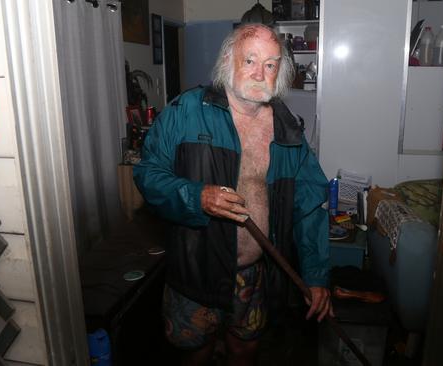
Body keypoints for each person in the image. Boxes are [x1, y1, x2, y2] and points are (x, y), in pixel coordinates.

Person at [134, 23, 332, 365]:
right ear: (229, 61)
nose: (259, 73)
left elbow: (310, 207)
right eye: (250, 60)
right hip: (195, 273)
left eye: (270, 64)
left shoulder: (288, 131)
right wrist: (195, 197)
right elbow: (148, 174)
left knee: (245, 352)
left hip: (254, 277)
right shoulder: (186, 111)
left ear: (280, 72)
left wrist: (315, 277)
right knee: (196, 354)